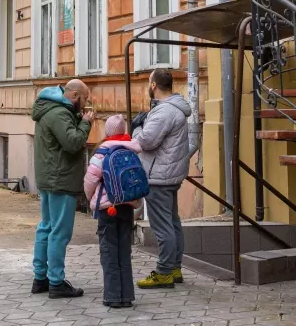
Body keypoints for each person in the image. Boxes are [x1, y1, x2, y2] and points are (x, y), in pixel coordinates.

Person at [30, 78, 94, 299]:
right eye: (85, 99)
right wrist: (86, 122)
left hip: (50, 177)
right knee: (59, 231)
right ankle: (56, 282)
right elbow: (73, 142)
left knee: (46, 227)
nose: (86, 105)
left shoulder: (52, 109)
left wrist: (78, 118)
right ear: (75, 95)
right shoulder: (59, 113)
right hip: (61, 179)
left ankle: (40, 278)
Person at [133, 68, 194, 289]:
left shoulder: (164, 111)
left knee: (162, 226)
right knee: (173, 223)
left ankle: (164, 271)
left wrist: (137, 128)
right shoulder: (175, 108)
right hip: (170, 174)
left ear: (153, 86)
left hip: (159, 176)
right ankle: (174, 267)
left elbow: (146, 141)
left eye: (149, 83)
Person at [83, 115, 142, 309]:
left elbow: (91, 179)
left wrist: (91, 197)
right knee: (124, 251)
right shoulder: (132, 149)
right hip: (127, 206)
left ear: (108, 132)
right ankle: (127, 296)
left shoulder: (102, 152)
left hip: (108, 209)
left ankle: (113, 296)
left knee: (109, 251)